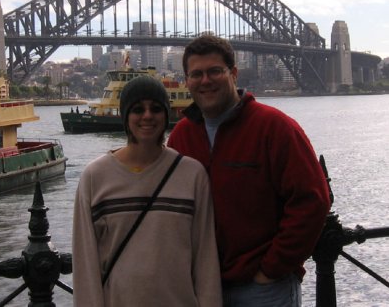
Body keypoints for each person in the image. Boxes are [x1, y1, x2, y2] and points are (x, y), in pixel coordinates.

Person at [167, 34, 331, 306]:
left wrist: (272, 268)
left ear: (233, 73)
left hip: (263, 289)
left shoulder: (275, 127)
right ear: (187, 81)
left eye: (214, 71)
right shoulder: (182, 135)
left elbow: (313, 200)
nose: (205, 81)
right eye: (196, 74)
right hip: (203, 288)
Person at [72, 76, 222, 307]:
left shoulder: (193, 175)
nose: (147, 116)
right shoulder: (95, 177)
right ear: (125, 116)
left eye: (156, 108)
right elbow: (85, 262)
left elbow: (206, 259)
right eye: (137, 109)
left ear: (166, 114)